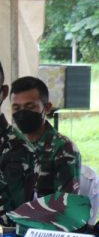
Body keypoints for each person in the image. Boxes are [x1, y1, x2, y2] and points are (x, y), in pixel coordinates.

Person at [0, 76, 80, 224]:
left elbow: (67, 206)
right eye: (16, 108)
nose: (22, 113)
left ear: (47, 108)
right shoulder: (8, 144)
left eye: (30, 107)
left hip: (41, 229)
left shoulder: (62, 148)